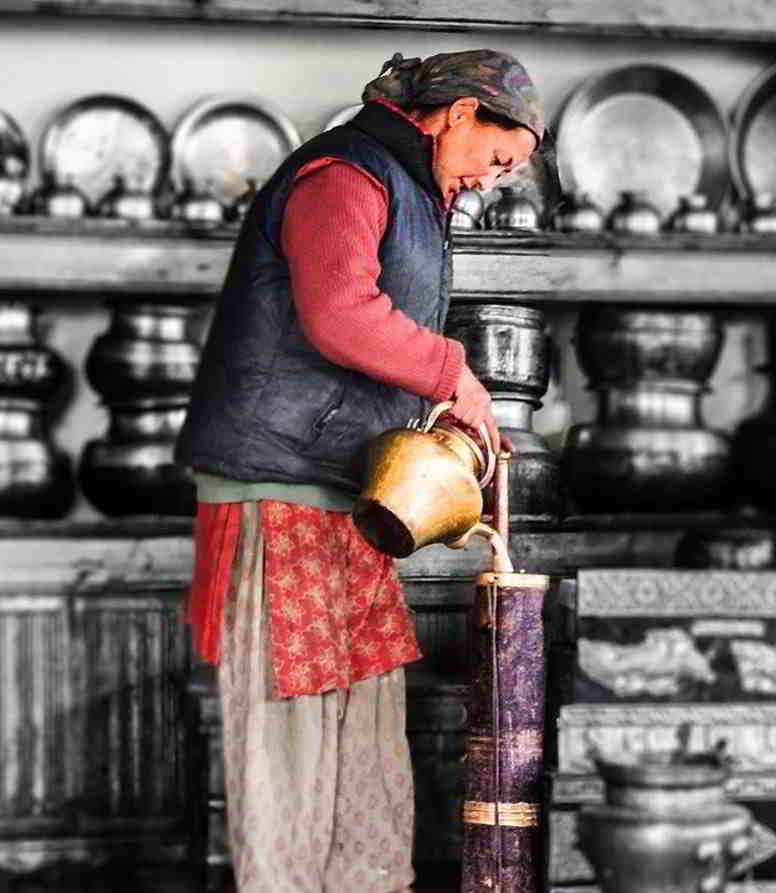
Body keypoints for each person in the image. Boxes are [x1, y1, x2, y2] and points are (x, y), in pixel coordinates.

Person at [175, 48, 544, 893]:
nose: (494, 179)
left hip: (344, 495)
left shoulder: (413, 191)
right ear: (459, 114)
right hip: (279, 488)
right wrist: (451, 373)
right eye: (498, 157)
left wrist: (436, 417)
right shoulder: (346, 172)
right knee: (292, 742)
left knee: (363, 736)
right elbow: (340, 312)